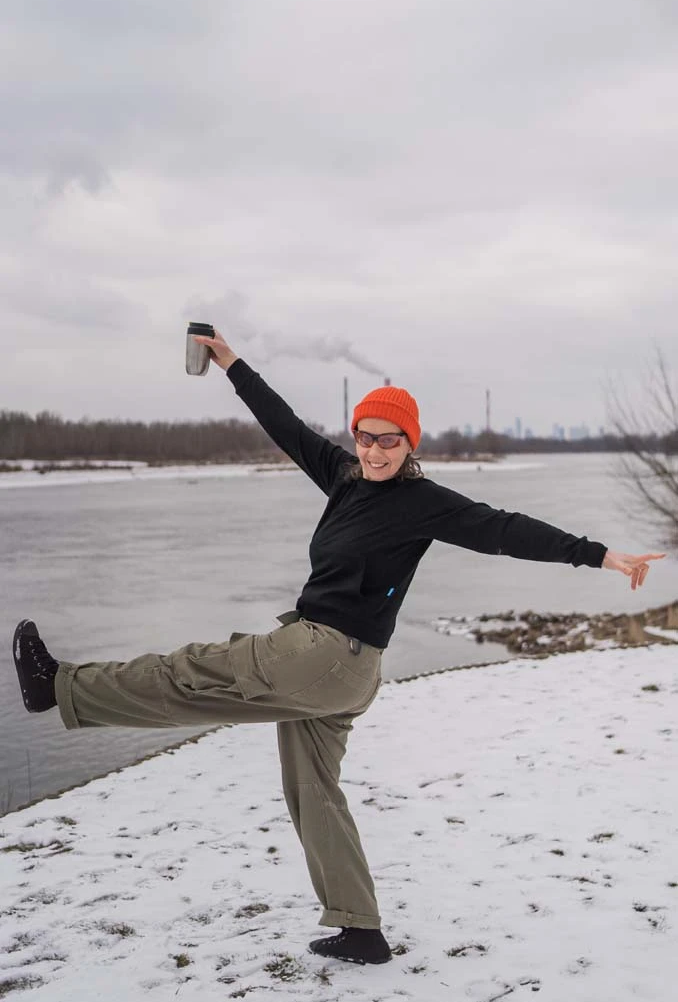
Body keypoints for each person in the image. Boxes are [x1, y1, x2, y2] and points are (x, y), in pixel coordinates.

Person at [12, 330, 665, 966]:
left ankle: (60, 687)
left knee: (189, 671)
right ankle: (359, 928)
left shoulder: (423, 502)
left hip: (323, 653)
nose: (374, 450)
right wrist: (232, 363)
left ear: (410, 444)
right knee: (312, 787)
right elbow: (285, 424)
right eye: (365, 437)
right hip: (345, 670)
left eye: (388, 440)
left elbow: (504, 529)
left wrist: (600, 555)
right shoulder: (345, 478)